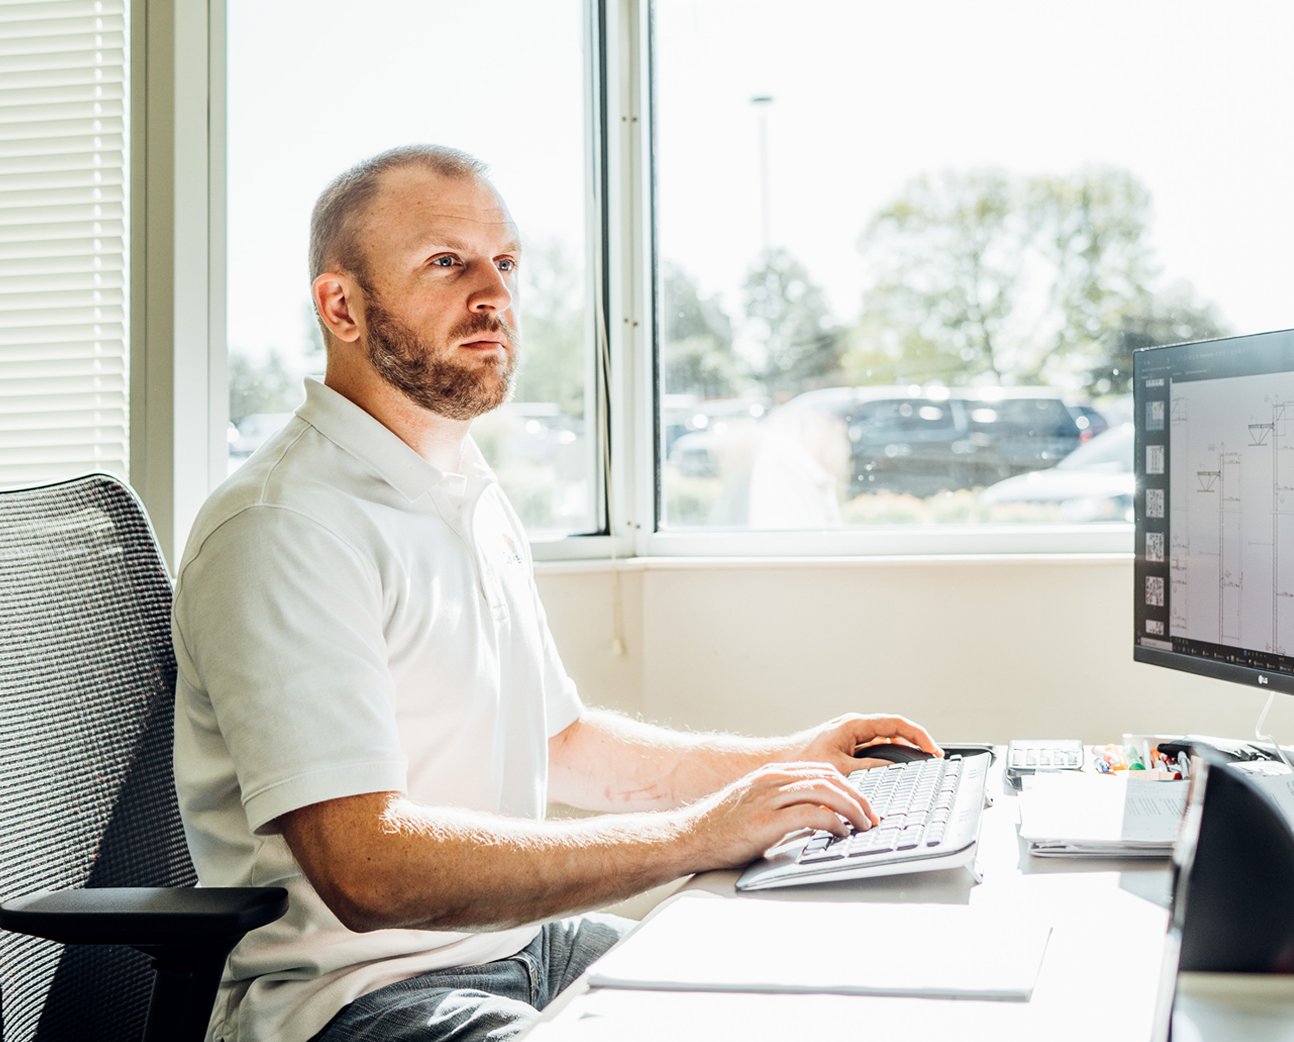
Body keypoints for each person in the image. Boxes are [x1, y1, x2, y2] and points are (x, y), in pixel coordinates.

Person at [171, 144, 941, 1042]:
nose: (491, 293)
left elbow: (560, 741)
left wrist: (786, 759)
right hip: (358, 1000)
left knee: (806, 995)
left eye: (505, 262)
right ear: (341, 305)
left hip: (519, 947)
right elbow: (368, 869)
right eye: (446, 262)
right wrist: (698, 834)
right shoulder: (285, 525)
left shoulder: (460, 488)